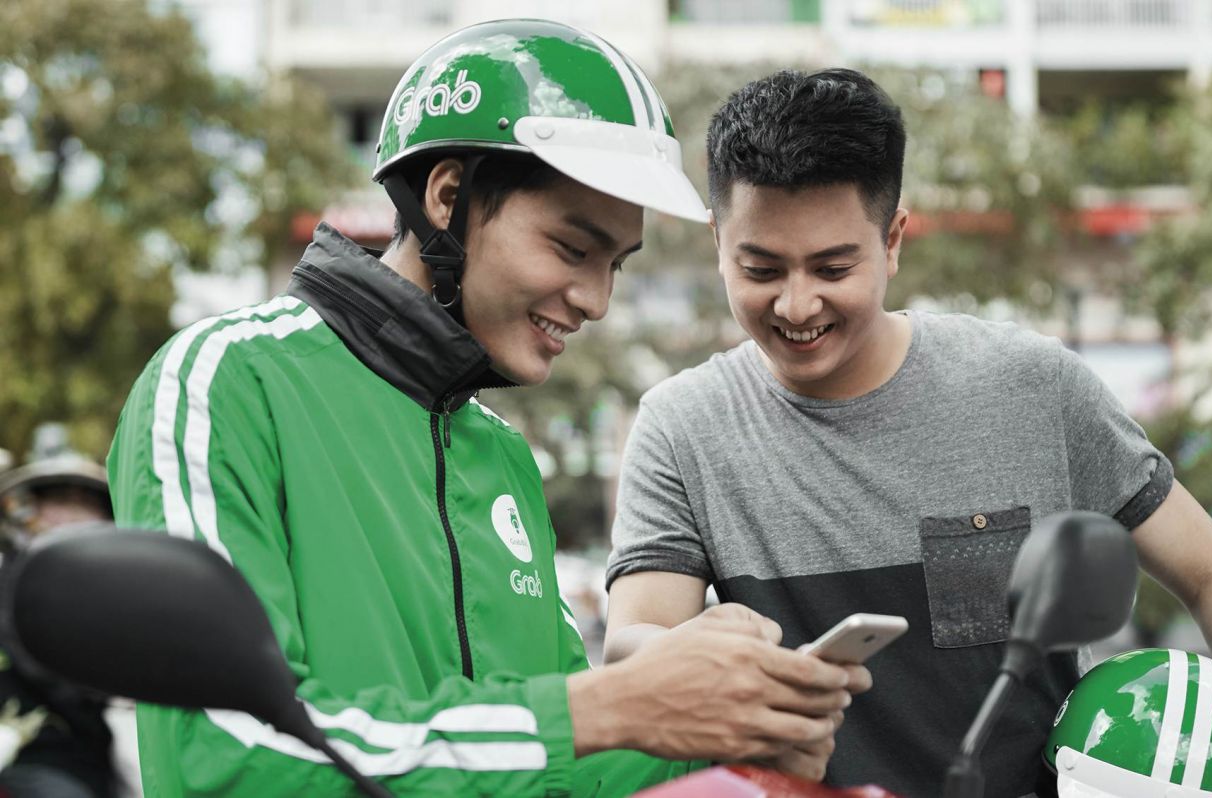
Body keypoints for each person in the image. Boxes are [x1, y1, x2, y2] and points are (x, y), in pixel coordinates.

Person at [107, 22, 861, 797]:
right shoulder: (228, 380)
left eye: (615, 265)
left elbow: (563, 774)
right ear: (446, 198)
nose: (597, 300)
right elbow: (225, 757)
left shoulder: (503, 457)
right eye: (572, 249)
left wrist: (736, 738)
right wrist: (605, 707)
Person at [604, 68, 1212, 797]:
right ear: (716, 241)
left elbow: (1211, 571)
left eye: (834, 268)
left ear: (894, 239)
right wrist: (702, 652)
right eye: (762, 270)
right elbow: (633, 643)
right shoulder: (683, 428)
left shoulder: (1030, 385)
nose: (797, 305)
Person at [0, 442, 120, 798]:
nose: (69, 515)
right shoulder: (10, 576)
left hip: (79, 755)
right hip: (28, 757)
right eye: (58, 500)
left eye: (84, 502)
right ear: (31, 510)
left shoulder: (119, 589)